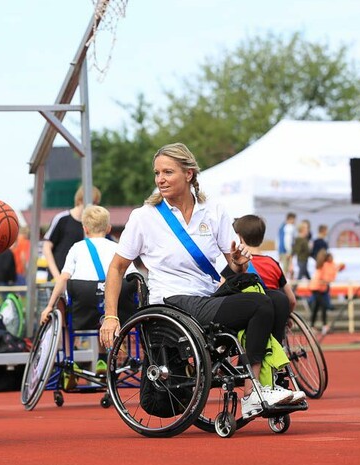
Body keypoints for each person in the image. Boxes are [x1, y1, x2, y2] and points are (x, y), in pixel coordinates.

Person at [99, 143, 302, 419]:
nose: (160, 179)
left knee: (277, 299)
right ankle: (253, 394)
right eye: (157, 173)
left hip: (206, 297)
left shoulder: (213, 210)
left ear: (189, 174)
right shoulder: (144, 217)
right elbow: (116, 268)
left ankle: (268, 380)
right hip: (172, 302)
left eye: (168, 172)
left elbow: (233, 263)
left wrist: (240, 263)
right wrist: (110, 315)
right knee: (259, 305)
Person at [39, 205, 138, 374]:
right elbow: (134, 277)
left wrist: (49, 306)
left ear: (84, 228)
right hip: (116, 310)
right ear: (108, 228)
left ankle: (70, 358)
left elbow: (63, 278)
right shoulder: (117, 247)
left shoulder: (77, 248)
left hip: (83, 309)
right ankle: (102, 358)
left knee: (63, 307)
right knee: (105, 310)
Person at [232, 215, 296, 345]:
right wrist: (286, 316)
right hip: (276, 314)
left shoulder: (238, 265)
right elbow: (291, 299)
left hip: (249, 317)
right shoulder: (273, 263)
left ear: (239, 237)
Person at [42, 185, 101, 281]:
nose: (95, 207)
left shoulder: (91, 224)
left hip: (80, 280)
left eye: (96, 204)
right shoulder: (62, 219)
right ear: (81, 200)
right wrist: (57, 276)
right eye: (93, 203)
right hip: (59, 277)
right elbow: (46, 247)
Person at [309, 250, 343, 334]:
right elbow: (328, 277)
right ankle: (323, 326)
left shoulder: (320, 265)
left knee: (316, 308)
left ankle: (313, 326)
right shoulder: (324, 265)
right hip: (318, 288)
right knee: (322, 307)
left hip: (318, 288)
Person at [277, 212, 296, 279]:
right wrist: (289, 251)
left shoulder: (282, 227)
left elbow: (279, 240)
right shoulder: (289, 227)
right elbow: (287, 240)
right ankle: (285, 286)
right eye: (294, 220)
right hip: (286, 250)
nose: (294, 222)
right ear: (290, 219)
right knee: (286, 269)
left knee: (286, 269)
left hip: (282, 250)